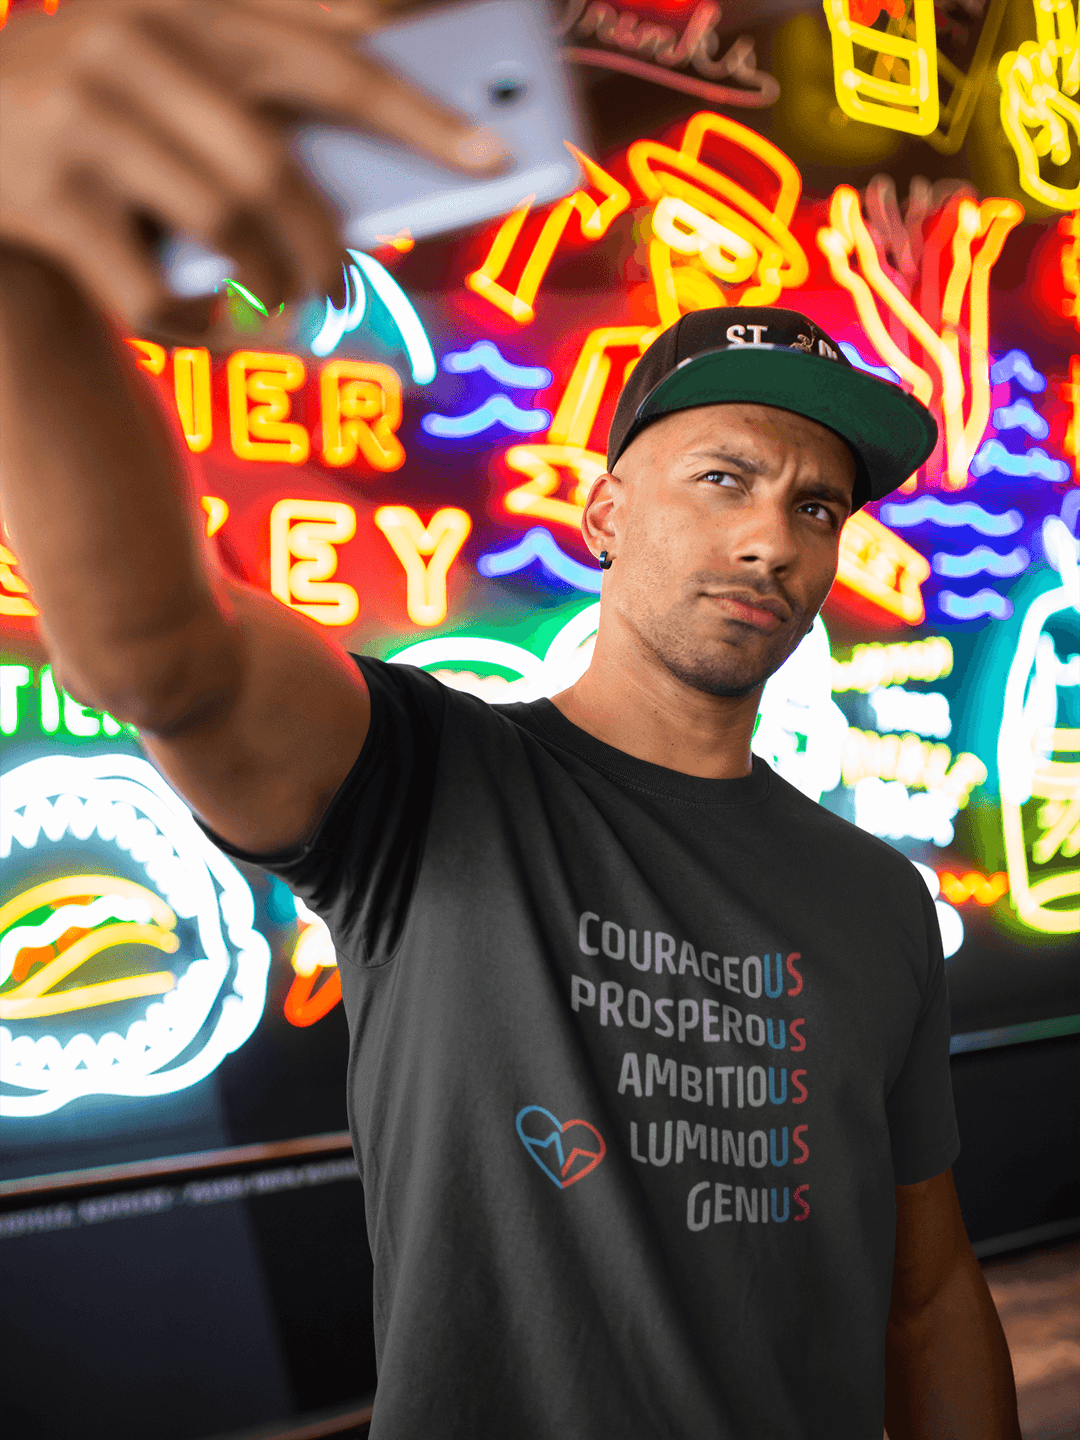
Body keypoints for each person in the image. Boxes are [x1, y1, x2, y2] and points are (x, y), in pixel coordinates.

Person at [0, 3, 1022, 1437]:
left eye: (816, 505)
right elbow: (168, 653)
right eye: (722, 478)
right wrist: (22, 277)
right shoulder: (430, 780)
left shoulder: (870, 900)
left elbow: (926, 1295)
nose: (773, 540)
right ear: (604, 511)